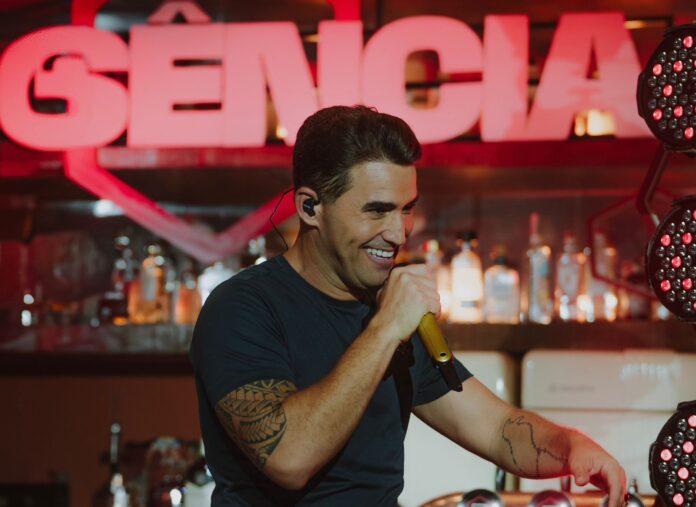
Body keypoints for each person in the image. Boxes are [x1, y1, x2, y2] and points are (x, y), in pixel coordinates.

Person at [189, 105, 627, 507]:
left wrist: (571, 448)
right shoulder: (242, 308)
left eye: (406, 209)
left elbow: (495, 429)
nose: (398, 234)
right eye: (377, 211)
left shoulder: (389, 307)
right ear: (310, 207)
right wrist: (385, 330)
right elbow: (289, 457)